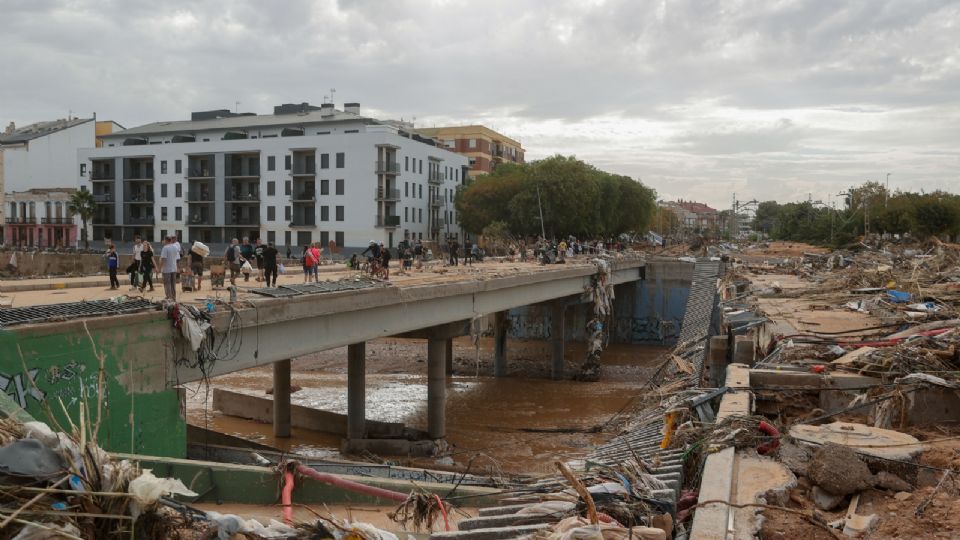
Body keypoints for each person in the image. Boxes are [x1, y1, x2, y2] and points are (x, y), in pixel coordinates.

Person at [160, 236, 180, 301]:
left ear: (166, 240)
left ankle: (169, 297)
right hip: (174, 268)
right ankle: (174, 297)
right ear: (170, 240)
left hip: (166, 269)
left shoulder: (165, 248)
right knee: (173, 284)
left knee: (167, 284)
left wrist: (160, 268)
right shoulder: (175, 247)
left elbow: (163, 259)